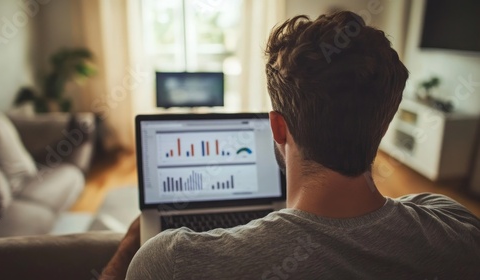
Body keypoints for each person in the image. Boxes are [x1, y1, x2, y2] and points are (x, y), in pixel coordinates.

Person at [101, 11, 480, 279]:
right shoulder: (458, 230)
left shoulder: (170, 262)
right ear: (384, 121)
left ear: (278, 128)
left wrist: (132, 240)